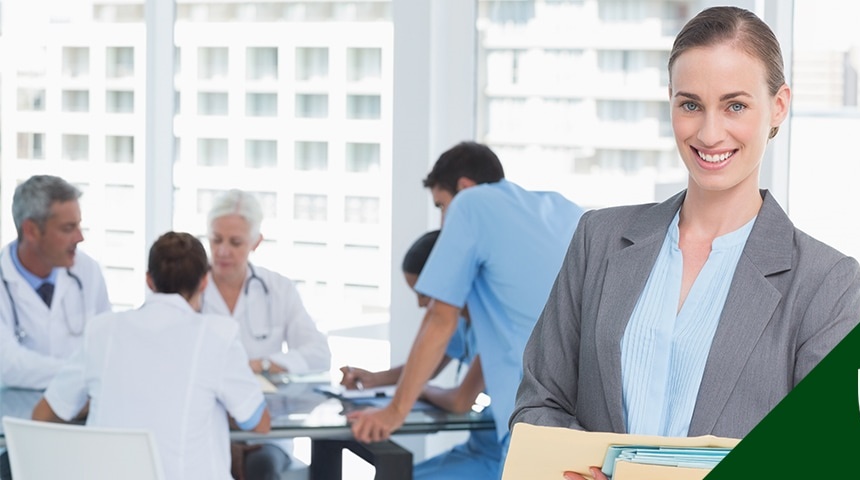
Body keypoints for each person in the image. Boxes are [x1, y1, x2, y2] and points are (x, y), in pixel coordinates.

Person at [508, 7, 860, 480]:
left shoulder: (824, 281)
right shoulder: (599, 239)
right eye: (690, 104)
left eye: (735, 105)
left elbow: (825, 456)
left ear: (778, 106)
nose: (709, 133)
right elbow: (539, 404)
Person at [347, 141, 584, 475]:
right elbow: (446, 344)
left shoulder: (472, 204)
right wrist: (379, 379)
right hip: (578, 424)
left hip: (527, 430)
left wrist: (394, 411)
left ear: (464, 188)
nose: (444, 222)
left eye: (441, 206)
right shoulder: (561, 209)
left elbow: (439, 322)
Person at [31, 231, 271, 480]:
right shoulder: (218, 335)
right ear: (204, 281)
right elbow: (259, 424)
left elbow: (43, 414)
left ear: (148, 280)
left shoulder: (102, 331)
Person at [340, 230, 502, 479]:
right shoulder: (463, 323)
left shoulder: (497, 328)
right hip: (476, 449)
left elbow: (460, 401)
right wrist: (373, 378)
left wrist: (421, 390)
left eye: (424, 294)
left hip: (501, 458)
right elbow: (426, 366)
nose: (420, 305)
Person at [202, 189, 332, 479]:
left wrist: (263, 364)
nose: (223, 251)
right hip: (205, 424)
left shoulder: (278, 289)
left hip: (265, 432)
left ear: (255, 242)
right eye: (216, 239)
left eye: (235, 242)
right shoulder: (189, 289)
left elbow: (319, 355)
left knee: (262, 470)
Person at [0, 175, 112, 390]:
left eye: (78, 226)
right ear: (31, 231)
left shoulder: (88, 271)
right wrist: (84, 372)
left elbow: (107, 346)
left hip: (81, 411)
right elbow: (8, 365)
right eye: (68, 229)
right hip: (13, 415)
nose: (80, 237)